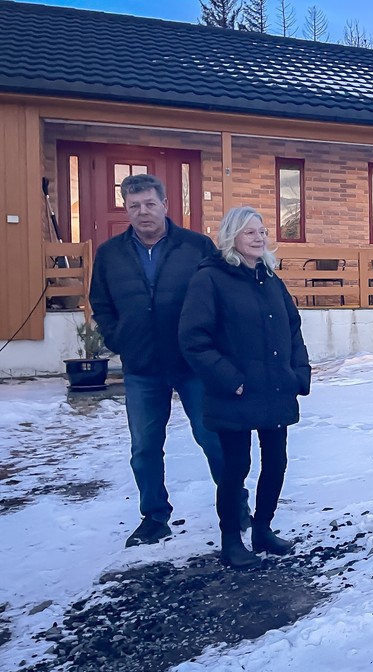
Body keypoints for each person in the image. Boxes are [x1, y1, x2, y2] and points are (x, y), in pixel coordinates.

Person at [90, 174, 248, 548]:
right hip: (142, 366)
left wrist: (214, 347)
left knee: (213, 438)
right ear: (126, 209)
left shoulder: (196, 247)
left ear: (164, 204)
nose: (142, 212)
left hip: (193, 363)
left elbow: (219, 295)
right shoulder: (110, 254)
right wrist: (118, 337)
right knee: (144, 447)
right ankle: (155, 517)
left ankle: (235, 507)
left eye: (149, 203)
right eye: (134, 206)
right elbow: (101, 303)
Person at [179, 206, 311, 569]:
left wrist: (299, 372)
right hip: (235, 392)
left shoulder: (270, 279)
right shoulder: (210, 279)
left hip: (275, 389)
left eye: (262, 231)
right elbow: (194, 339)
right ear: (231, 237)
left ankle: (263, 529)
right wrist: (230, 380)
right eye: (249, 232)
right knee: (236, 467)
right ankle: (231, 541)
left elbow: (293, 328)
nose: (259, 238)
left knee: (276, 462)